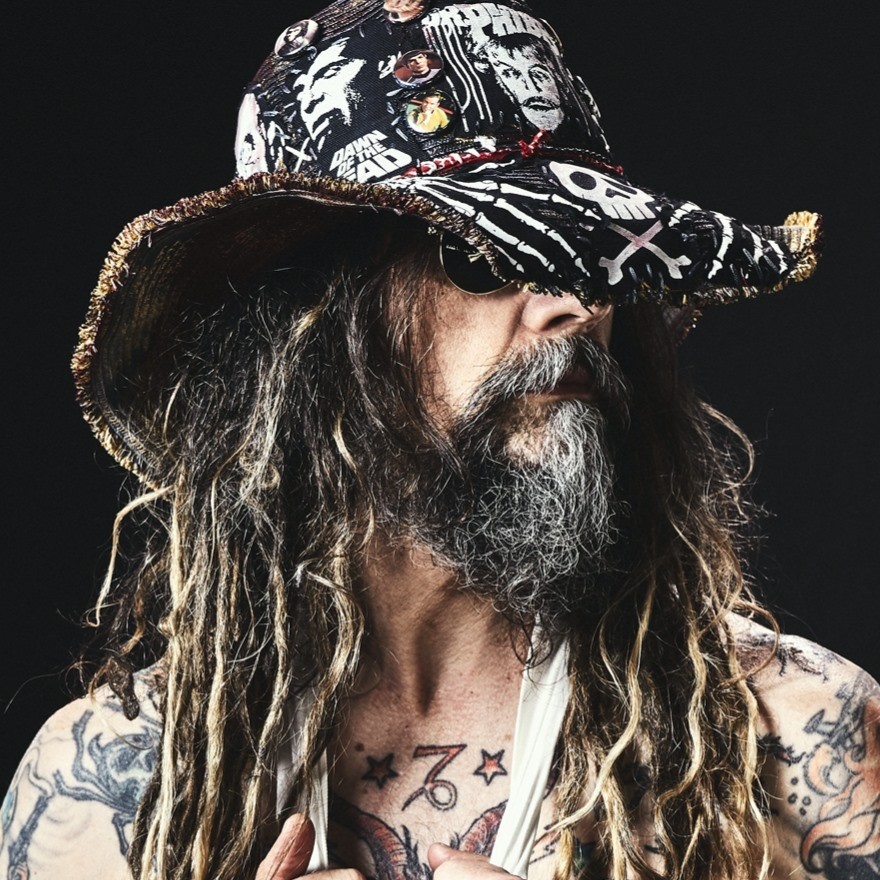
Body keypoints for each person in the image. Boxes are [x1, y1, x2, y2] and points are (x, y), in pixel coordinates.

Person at [2, 3, 877, 880]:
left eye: (588, 258)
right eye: (484, 258)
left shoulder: (798, 739)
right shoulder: (112, 788)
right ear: (314, 327)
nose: (578, 305)